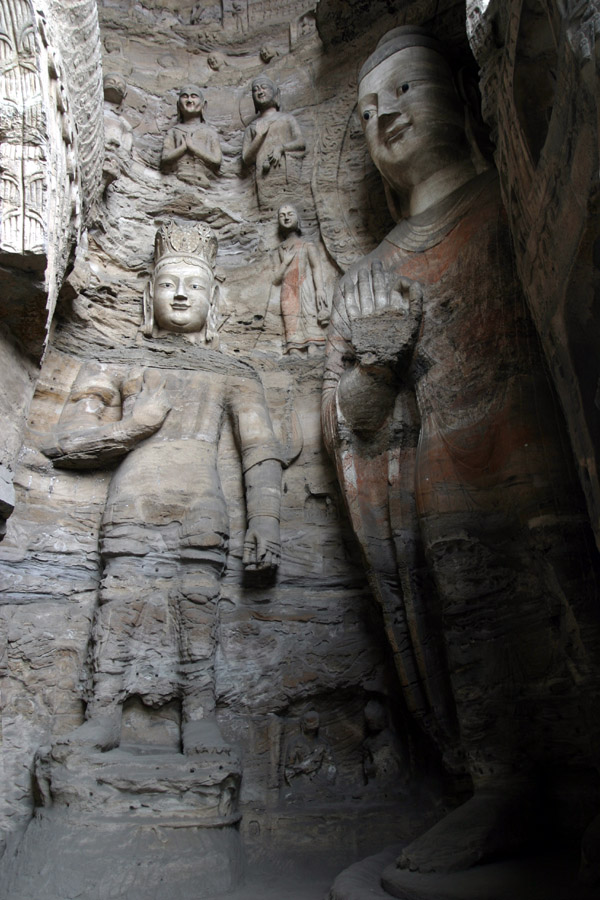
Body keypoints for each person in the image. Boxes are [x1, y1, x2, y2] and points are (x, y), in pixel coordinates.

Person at [322, 26, 600, 878]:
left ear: (458, 92)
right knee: (471, 615)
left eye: (404, 90)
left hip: (545, 443)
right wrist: (374, 356)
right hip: (440, 466)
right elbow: (358, 426)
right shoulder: (370, 268)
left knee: (574, 598)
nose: (386, 116)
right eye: (368, 110)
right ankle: (501, 786)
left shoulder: (505, 203)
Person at [44, 220, 282, 756]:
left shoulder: (232, 370)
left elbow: (260, 451)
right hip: (132, 500)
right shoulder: (120, 361)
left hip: (202, 504)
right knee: (118, 605)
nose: (179, 292)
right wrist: (135, 427)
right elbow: (64, 441)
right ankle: (102, 715)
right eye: (168, 282)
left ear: (213, 299)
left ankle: (199, 719)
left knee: (199, 610)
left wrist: (266, 521)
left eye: (194, 285)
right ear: (148, 294)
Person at [273, 203, 328, 356]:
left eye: (290, 214)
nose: (286, 217)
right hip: (288, 289)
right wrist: (285, 262)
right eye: (282, 215)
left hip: (305, 285)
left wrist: (320, 290)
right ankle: (294, 348)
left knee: (308, 314)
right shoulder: (281, 249)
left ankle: (312, 346)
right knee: (290, 318)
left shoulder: (307, 245)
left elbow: (316, 267)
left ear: (298, 219)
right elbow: (275, 279)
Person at [242, 75, 305, 209]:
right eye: (255, 90)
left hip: (288, 173)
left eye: (264, 87)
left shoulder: (287, 119)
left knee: (292, 208)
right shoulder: (252, 127)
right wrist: (259, 136)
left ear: (275, 92)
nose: (260, 92)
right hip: (264, 178)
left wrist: (281, 148)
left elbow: (301, 142)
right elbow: (246, 158)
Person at [160, 85, 222, 186]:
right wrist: (183, 148)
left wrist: (193, 148)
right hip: (178, 179)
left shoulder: (209, 132)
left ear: (203, 104)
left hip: (202, 179)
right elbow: (165, 158)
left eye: (194, 96)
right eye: (185, 96)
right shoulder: (174, 131)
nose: (189, 100)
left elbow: (216, 160)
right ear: (178, 105)